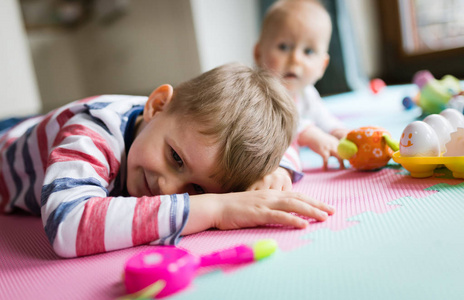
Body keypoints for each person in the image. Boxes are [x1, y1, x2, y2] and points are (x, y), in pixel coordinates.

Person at [0, 63, 334, 258]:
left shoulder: (182, 133)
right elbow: (67, 224)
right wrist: (215, 208)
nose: (167, 188)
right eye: (174, 157)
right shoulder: (93, 132)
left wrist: (277, 171)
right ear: (157, 105)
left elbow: (285, 144)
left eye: (197, 189)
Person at [254, 0, 350, 170]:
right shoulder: (260, 90)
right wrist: (307, 133)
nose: (295, 59)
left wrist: (337, 131)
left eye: (308, 51)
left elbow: (323, 118)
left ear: (322, 66)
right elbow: (274, 125)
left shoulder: (307, 93)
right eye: (284, 47)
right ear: (258, 53)